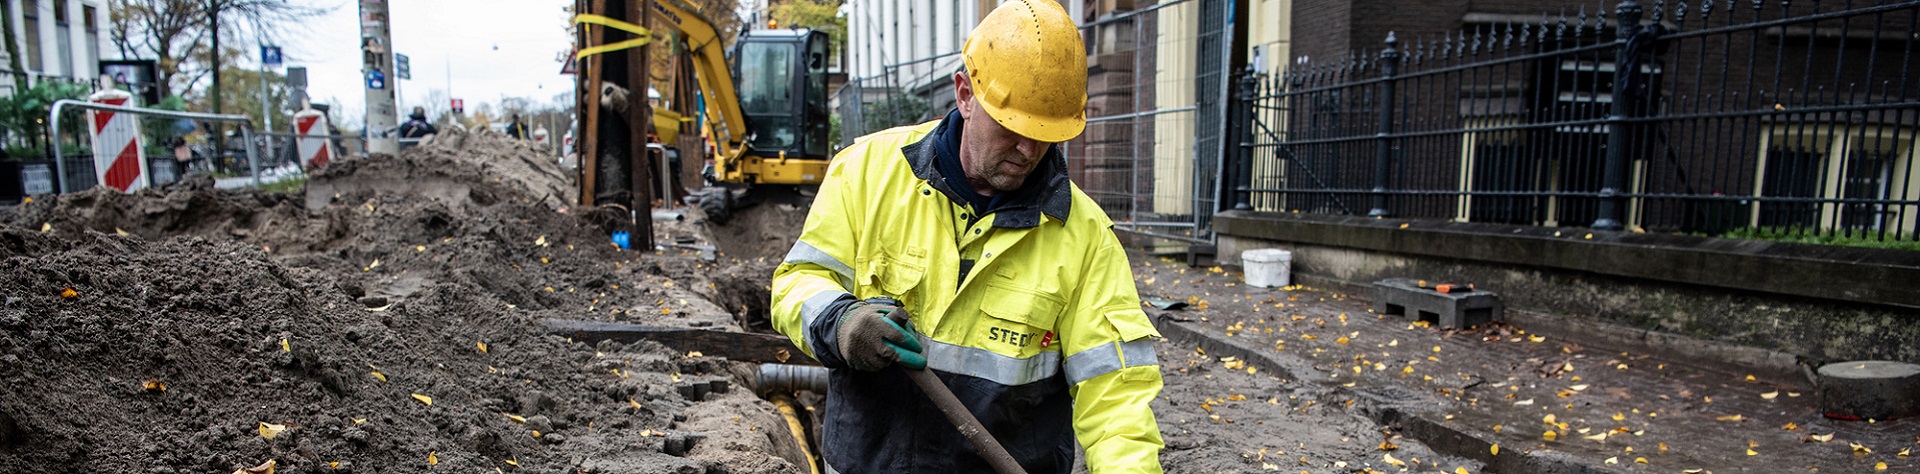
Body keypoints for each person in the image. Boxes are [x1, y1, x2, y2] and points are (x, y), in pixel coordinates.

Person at [769, 1, 1164, 473]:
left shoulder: (1085, 236)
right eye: (1013, 128)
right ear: (965, 94)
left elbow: (1117, 397)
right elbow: (797, 282)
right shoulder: (867, 172)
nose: (1029, 150)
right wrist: (842, 321)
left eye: (1047, 135)